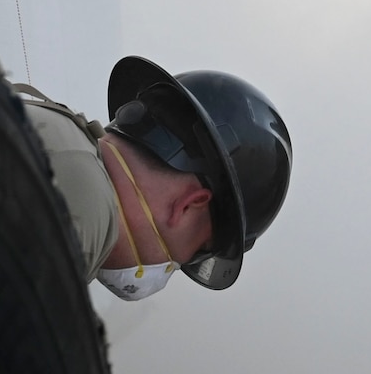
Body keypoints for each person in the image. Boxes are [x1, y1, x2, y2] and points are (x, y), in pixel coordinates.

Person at [17, 55, 293, 300]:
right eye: (195, 252)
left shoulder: (50, 134)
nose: (172, 267)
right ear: (188, 205)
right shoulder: (80, 220)